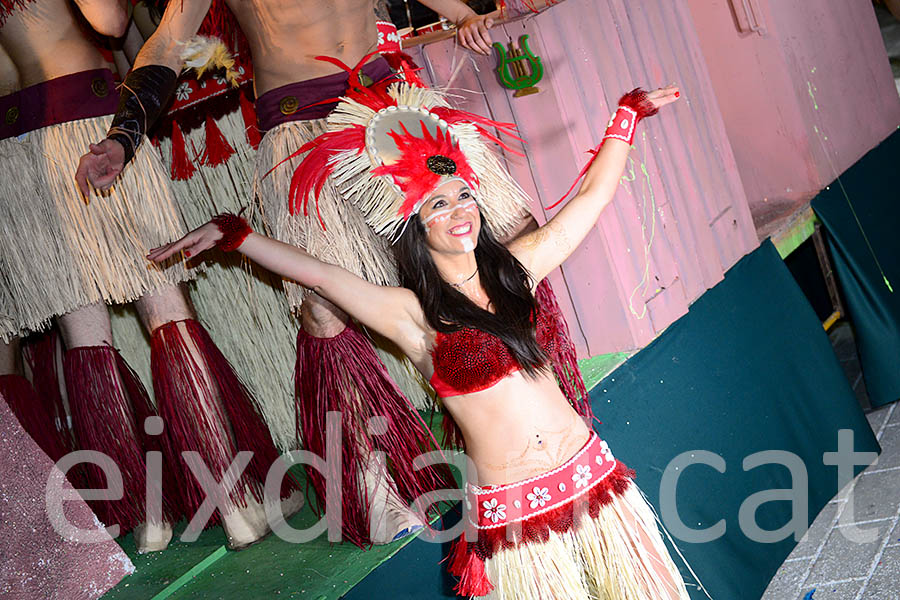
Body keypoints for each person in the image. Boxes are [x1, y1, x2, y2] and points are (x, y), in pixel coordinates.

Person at [148, 58, 690, 596]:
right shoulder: (411, 315)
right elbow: (320, 274)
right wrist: (233, 235)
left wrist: (627, 116)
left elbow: (590, 199)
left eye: (463, 197)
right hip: (516, 514)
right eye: (438, 204)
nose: (459, 212)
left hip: (590, 472)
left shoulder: (517, 271)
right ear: (415, 224)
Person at [75, 0, 519, 547]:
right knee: (323, 305)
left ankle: (516, 434)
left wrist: (462, 13)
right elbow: (167, 43)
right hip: (300, 124)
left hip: (393, 105)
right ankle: (372, 478)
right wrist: (124, 135)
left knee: (480, 260)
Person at [0, 0, 299, 552]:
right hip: (88, 126)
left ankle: (145, 516)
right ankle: (234, 502)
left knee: (83, 337)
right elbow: (111, 22)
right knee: (165, 311)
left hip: (15, 152)